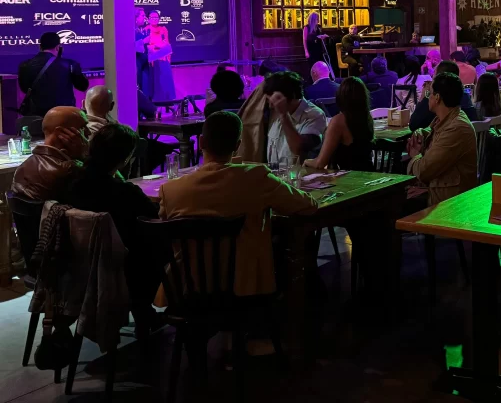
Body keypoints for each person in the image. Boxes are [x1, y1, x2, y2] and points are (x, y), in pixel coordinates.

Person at [159, 112, 317, 296]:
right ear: (237, 145)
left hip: (188, 292)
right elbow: (308, 205)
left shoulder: (170, 191)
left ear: (201, 142)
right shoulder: (257, 178)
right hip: (245, 290)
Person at [67, 123, 159, 322]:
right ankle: (143, 309)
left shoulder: (72, 183)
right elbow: (154, 220)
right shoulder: (126, 192)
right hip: (123, 264)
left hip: (80, 259)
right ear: (125, 158)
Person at [406, 72, 478, 205]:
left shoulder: (457, 127)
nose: (428, 97)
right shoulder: (444, 119)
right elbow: (430, 131)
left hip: (451, 202)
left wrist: (415, 156)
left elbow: (423, 171)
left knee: (395, 202)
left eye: (429, 94)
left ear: (437, 98)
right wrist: (420, 133)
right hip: (438, 190)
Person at [11, 106, 88, 205]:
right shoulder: (70, 169)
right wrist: (85, 153)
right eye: (83, 127)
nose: (89, 132)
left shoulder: (24, 166)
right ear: (62, 133)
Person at [305, 78, 375, 171]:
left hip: (350, 177)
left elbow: (320, 163)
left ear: (340, 96)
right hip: (368, 173)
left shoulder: (338, 121)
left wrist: (305, 161)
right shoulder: (367, 117)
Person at [263, 70, 328, 168]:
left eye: (275, 99)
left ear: (291, 96)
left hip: (301, 176)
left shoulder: (314, 115)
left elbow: (297, 149)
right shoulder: (274, 113)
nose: (271, 105)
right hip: (275, 174)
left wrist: (284, 115)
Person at [17, 31, 88, 117]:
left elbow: (24, 89)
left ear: (40, 47)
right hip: (64, 115)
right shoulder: (70, 65)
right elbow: (83, 86)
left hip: (37, 115)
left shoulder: (25, 65)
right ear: (58, 47)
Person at [409, 61, 478, 131]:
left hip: (451, 136)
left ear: (439, 79)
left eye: (433, 76)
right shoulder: (464, 96)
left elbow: (413, 124)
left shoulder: (441, 101)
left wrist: (425, 96)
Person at [143, 10, 176, 102]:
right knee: (155, 81)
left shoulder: (163, 29)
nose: (154, 19)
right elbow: (147, 46)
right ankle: (154, 101)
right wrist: (157, 46)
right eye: (152, 17)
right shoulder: (146, 30)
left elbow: (166, 43)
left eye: (156, 17)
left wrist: (156, 46)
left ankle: (167, 101)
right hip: (152, 60)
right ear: (148, 19)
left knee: (165, 79)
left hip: (163, 58)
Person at [135, 8, 152, 100]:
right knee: (138, 84)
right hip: (136, 61)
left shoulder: (141, 29)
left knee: (145, 87)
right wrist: (143, 41)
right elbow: (128, 47)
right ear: (136, 17)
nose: (145, 18)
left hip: (144, 61)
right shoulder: (130, 30)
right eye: (142, 16)